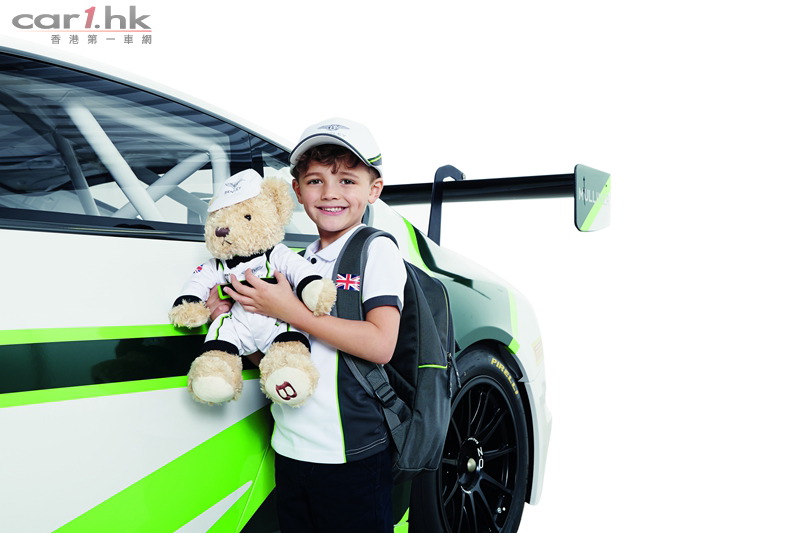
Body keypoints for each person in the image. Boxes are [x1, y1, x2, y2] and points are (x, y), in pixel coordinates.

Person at [218, 117, 406, 532]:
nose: (330, 193)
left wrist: (290, 310)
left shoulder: (375, 250)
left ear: (374, 189)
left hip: (352, 455)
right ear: (298, 190)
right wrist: (233, 321)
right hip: (291, 450)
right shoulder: (298, 261)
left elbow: (381, 344)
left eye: (347, 181)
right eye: (316, 181)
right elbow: (278, 353)